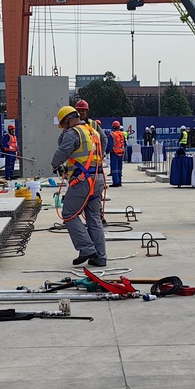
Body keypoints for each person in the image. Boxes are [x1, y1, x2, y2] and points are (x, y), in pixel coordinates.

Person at [51, 105, 107, 267]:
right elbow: (103, 142)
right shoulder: (93, 131)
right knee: (94, 218)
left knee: (69, 213)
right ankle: (100, 256)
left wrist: (54, 164)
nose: (64, 128)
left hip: (82, 180)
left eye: (64, 124)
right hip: (98, 179)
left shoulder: (73, 133)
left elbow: (62, 151)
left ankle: (87, 248)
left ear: (68, 121)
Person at [106, 120, 126, 187]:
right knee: (120, 168)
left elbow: (110, 145)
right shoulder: (122, 134)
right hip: (121, 152)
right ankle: (119, 181)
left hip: (114, 153)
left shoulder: (112, 135)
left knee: (114, 168)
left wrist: (106, 152)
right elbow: (124, 143)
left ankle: (115, 182)